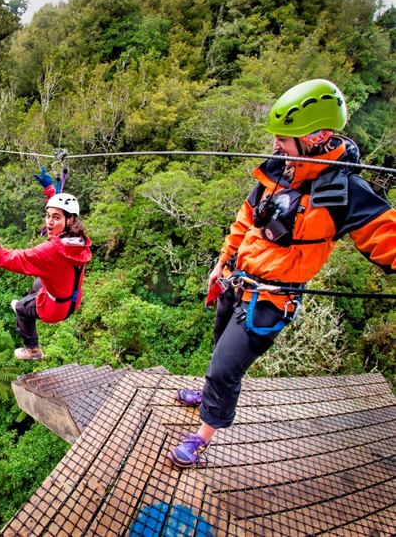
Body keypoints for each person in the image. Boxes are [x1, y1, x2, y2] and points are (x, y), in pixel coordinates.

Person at [168, 79, 396, 468]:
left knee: (226, 366)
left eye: (284, 138)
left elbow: (386, 237)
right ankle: (207, 395)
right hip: (237, 281)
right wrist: (222, 262)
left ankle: (203, 438)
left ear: (317, 136)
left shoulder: (345, 192)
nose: (276, 145)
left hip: (271, 300)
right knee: (220, 341)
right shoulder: (278, 173)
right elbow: (245, 221)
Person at [0, 167, 92, 360]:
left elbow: (9, 258)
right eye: (48, 216)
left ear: (70, 220)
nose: (49, 222)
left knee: (21, 308)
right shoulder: (79, 239)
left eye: (56, 218)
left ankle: (33, 350)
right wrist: (50, 191)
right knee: (38, 282)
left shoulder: (50, 252)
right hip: (72, 295)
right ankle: (32, 300)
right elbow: (60, 211)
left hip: (55, 310)